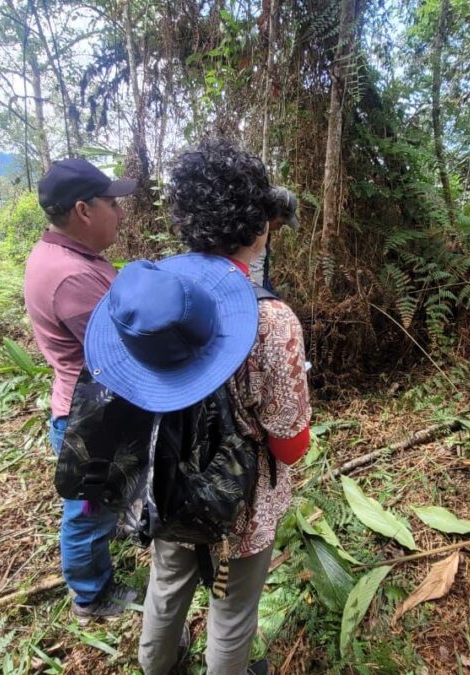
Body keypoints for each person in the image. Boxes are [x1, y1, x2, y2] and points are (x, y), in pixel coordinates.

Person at [85, 139, 311, 675]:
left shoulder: (151, 293)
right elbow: (291, 443)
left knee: (168, 581)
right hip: (238, 497)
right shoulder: (274, 323)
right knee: (231, 610)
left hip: (163, 479)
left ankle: (156, 666)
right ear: (261, 226)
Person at [22, 158, 139, 622]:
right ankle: (92, 597)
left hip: (86, 404)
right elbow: (123, 348)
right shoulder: (71, 277)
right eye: (112, 204)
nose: (120, 213)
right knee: (88, 511)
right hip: (90, 419)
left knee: (100, 501)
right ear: (83, 211)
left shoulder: (69, 258)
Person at [247, 186, 300, 289]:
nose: (280, 227)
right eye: (281, 222)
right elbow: (255, 271)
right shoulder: (257, 230)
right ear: (272, 212)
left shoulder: (264, 228)